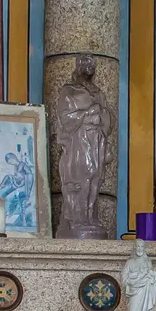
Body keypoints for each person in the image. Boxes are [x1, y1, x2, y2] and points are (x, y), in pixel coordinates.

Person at [57, 55, 115, 239]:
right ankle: (76, 218)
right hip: (79, 142)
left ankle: (91, 216)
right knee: (82, 177)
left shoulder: (98, 93)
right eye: (86, 64)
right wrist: (88, 113)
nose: (90, 68)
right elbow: (65, 118)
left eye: (92, 65)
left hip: (97, 139)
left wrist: (102, 115)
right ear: (78, 67)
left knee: (96, 177)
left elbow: (109, 118)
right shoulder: (69, 91)